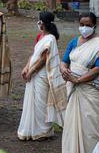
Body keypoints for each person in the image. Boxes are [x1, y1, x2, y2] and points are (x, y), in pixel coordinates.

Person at [60, 12, 99, 153]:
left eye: (88, 25)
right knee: (72, 123)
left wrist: (79, 80)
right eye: (82, 24)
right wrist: (64, 70)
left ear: (94, 26)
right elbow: (64, 61)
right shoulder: (74, 41)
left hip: (89, 89)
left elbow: (98, 68)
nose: (84, 28)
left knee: (90, 124)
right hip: (73, 87)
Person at [18, 12, 67, 140]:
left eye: (39, 21)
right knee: (33, 102)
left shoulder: (50, 38)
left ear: (43, 23)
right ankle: (32, 130)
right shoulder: (40, 37)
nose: (38, 23)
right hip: (34, 73)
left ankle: (42, 131)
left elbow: (43, 59)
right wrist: (26, 67)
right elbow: (34, 55)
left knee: (41, 103)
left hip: (42, 74)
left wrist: (31, 71)